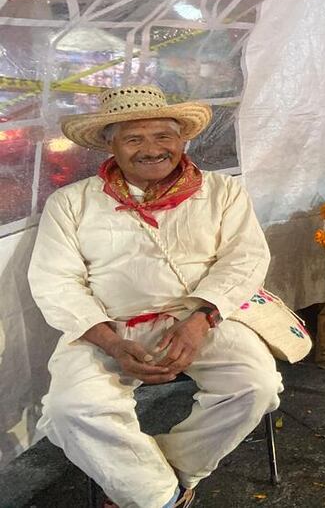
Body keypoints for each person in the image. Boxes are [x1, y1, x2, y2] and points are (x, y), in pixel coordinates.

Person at [28, 85, 280, 508]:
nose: (152, 149)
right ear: (110, 144)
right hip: (108, 327)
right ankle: (163, 497)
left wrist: (200, 321)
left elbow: (245, 259)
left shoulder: (223, 191)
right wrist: (112, 343)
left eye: (163, 136)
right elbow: (56, 281)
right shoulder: (70, 203)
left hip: (203, 319)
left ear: (182, 139)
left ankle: (163, 473)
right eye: (134, 138)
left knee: (256, 385)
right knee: (71, 407)